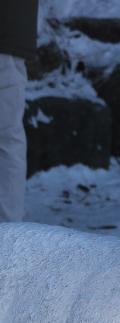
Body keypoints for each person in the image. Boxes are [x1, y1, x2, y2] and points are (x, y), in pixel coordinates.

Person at [0, 1, 38, 222]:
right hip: (13, 35)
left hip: (10, 36)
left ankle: (8, 231)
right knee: (8, 139)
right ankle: (8, 230)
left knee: (8, 139)